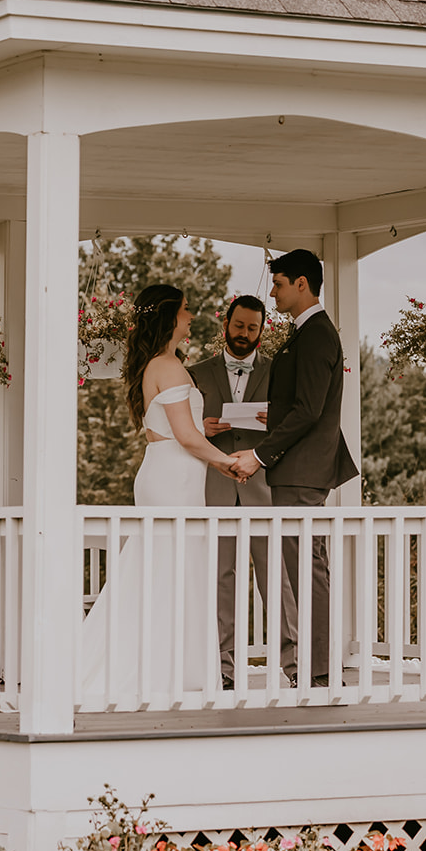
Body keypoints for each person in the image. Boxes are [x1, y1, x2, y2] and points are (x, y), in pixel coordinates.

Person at [83, 286, 239, 700]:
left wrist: (206, 429)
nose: (191, 317)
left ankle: (173, 665)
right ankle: (158, 668)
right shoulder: (168, 366)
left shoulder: (160, 364)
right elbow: (184, 438)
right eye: (186, 311)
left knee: (173, 568)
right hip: (174, 476)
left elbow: (177, 429)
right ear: (171, 317)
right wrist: (228, 462)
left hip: (169, 469)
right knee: (169, 568)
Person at [231, 249, 361, 688]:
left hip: (301, 472)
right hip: (298, 470)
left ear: (301, 283)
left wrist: (259, 455)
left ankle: (321, 672)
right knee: (304, 568)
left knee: (307, 569)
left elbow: (309, 411)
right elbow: (303, 405)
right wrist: (278, 415)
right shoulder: (306, 333)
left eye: (280, 283)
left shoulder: (317, 334)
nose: (273, 291)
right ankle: (316, 667)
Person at [187, 295, 293, 690]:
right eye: (238, 326)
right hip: (214, 488)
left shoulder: (279, 371)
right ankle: (223, 669)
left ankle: (294, 663)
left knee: (277, 579)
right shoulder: (195, 373)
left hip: (263, 488)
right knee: (221, 579)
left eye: (252, 328)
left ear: (261, 330)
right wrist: (203, 428)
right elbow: (178, 427)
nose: (244, 334)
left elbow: (295, 423)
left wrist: (275, 422)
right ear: (225, 324)